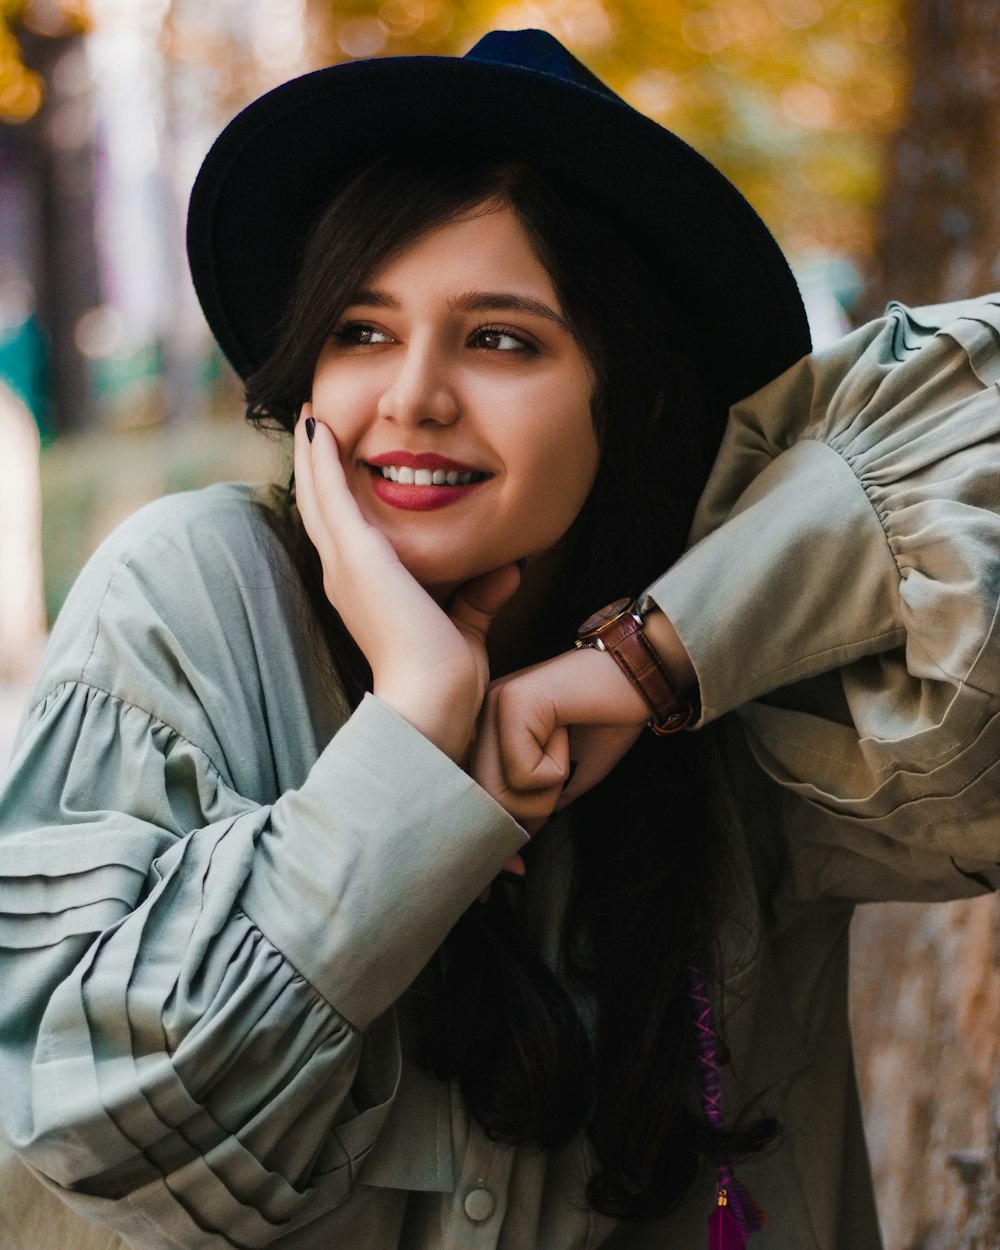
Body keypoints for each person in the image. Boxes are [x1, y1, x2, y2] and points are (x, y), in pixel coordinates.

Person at [1, 27, 999, 1250]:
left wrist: (662, 655)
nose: (412, 395)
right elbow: (99, 1124)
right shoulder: (196, 595)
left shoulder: (748, 682)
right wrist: (412, 736)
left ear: (631, 393)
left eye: (500, 339)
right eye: (362, 330)